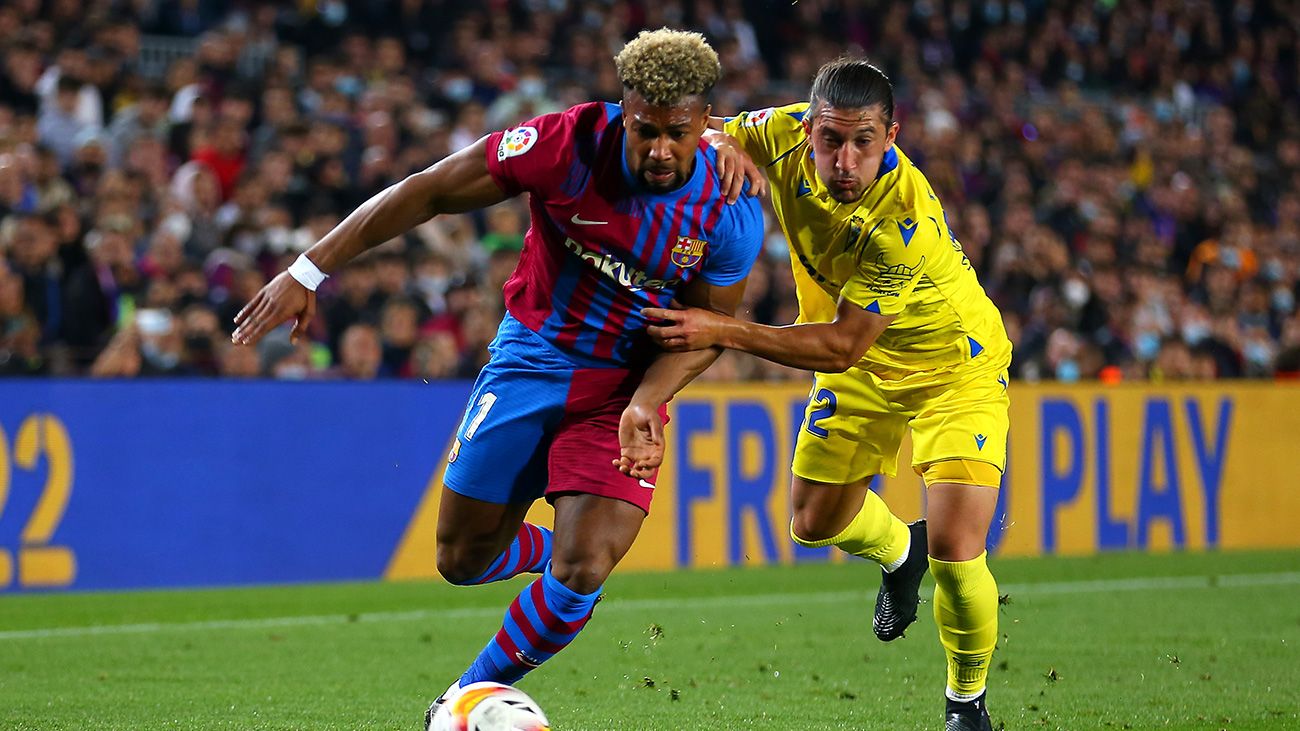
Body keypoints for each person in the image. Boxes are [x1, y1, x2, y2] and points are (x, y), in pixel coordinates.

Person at [229, 28, 765, 729]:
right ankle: (541, 550)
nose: (660, 150)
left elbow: (707, 330)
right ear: (622, 110)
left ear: (705, 123)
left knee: (584, 567)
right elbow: (428, 192)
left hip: (622, 390)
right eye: (645, 131)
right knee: (459, 557)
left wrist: (647, 401)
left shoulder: (730, 211)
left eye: (678, 133)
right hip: (532, 358)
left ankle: (461, 699)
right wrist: (308, 270)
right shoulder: (563, 146)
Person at [627, 59, 1011, 731]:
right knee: (812, 522)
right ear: (808, 130)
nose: (844, 158)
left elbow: (841, 346)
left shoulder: (903, 219)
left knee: (957, 547)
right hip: (862, 364)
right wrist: (716, 142)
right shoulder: (779, 135)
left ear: (891, 135)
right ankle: (899, 552)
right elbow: (709, 132)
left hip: (951, 367)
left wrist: (724, 328)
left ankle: (965, 701)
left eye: (863, 141)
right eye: (831, 140)